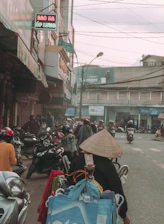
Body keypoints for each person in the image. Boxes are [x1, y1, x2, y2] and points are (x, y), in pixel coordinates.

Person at [68, 129, 130, 224]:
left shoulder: (77, 161)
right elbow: (117, 190)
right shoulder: (108, 165)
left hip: (76, 207)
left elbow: (68, 181)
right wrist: (124, 215)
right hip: (101, 210)